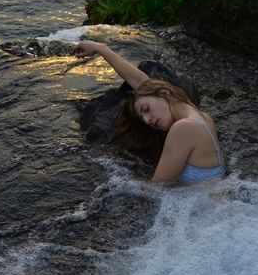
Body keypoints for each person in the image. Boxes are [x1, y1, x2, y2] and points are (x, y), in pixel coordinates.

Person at [71, 40, 226, 185]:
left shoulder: (184, 128)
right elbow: (142, 83)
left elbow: (158, 188)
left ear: (164, 93)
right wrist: (100, 48)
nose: (147, 121)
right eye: (143, 117)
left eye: (146, 110)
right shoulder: (202, 117)